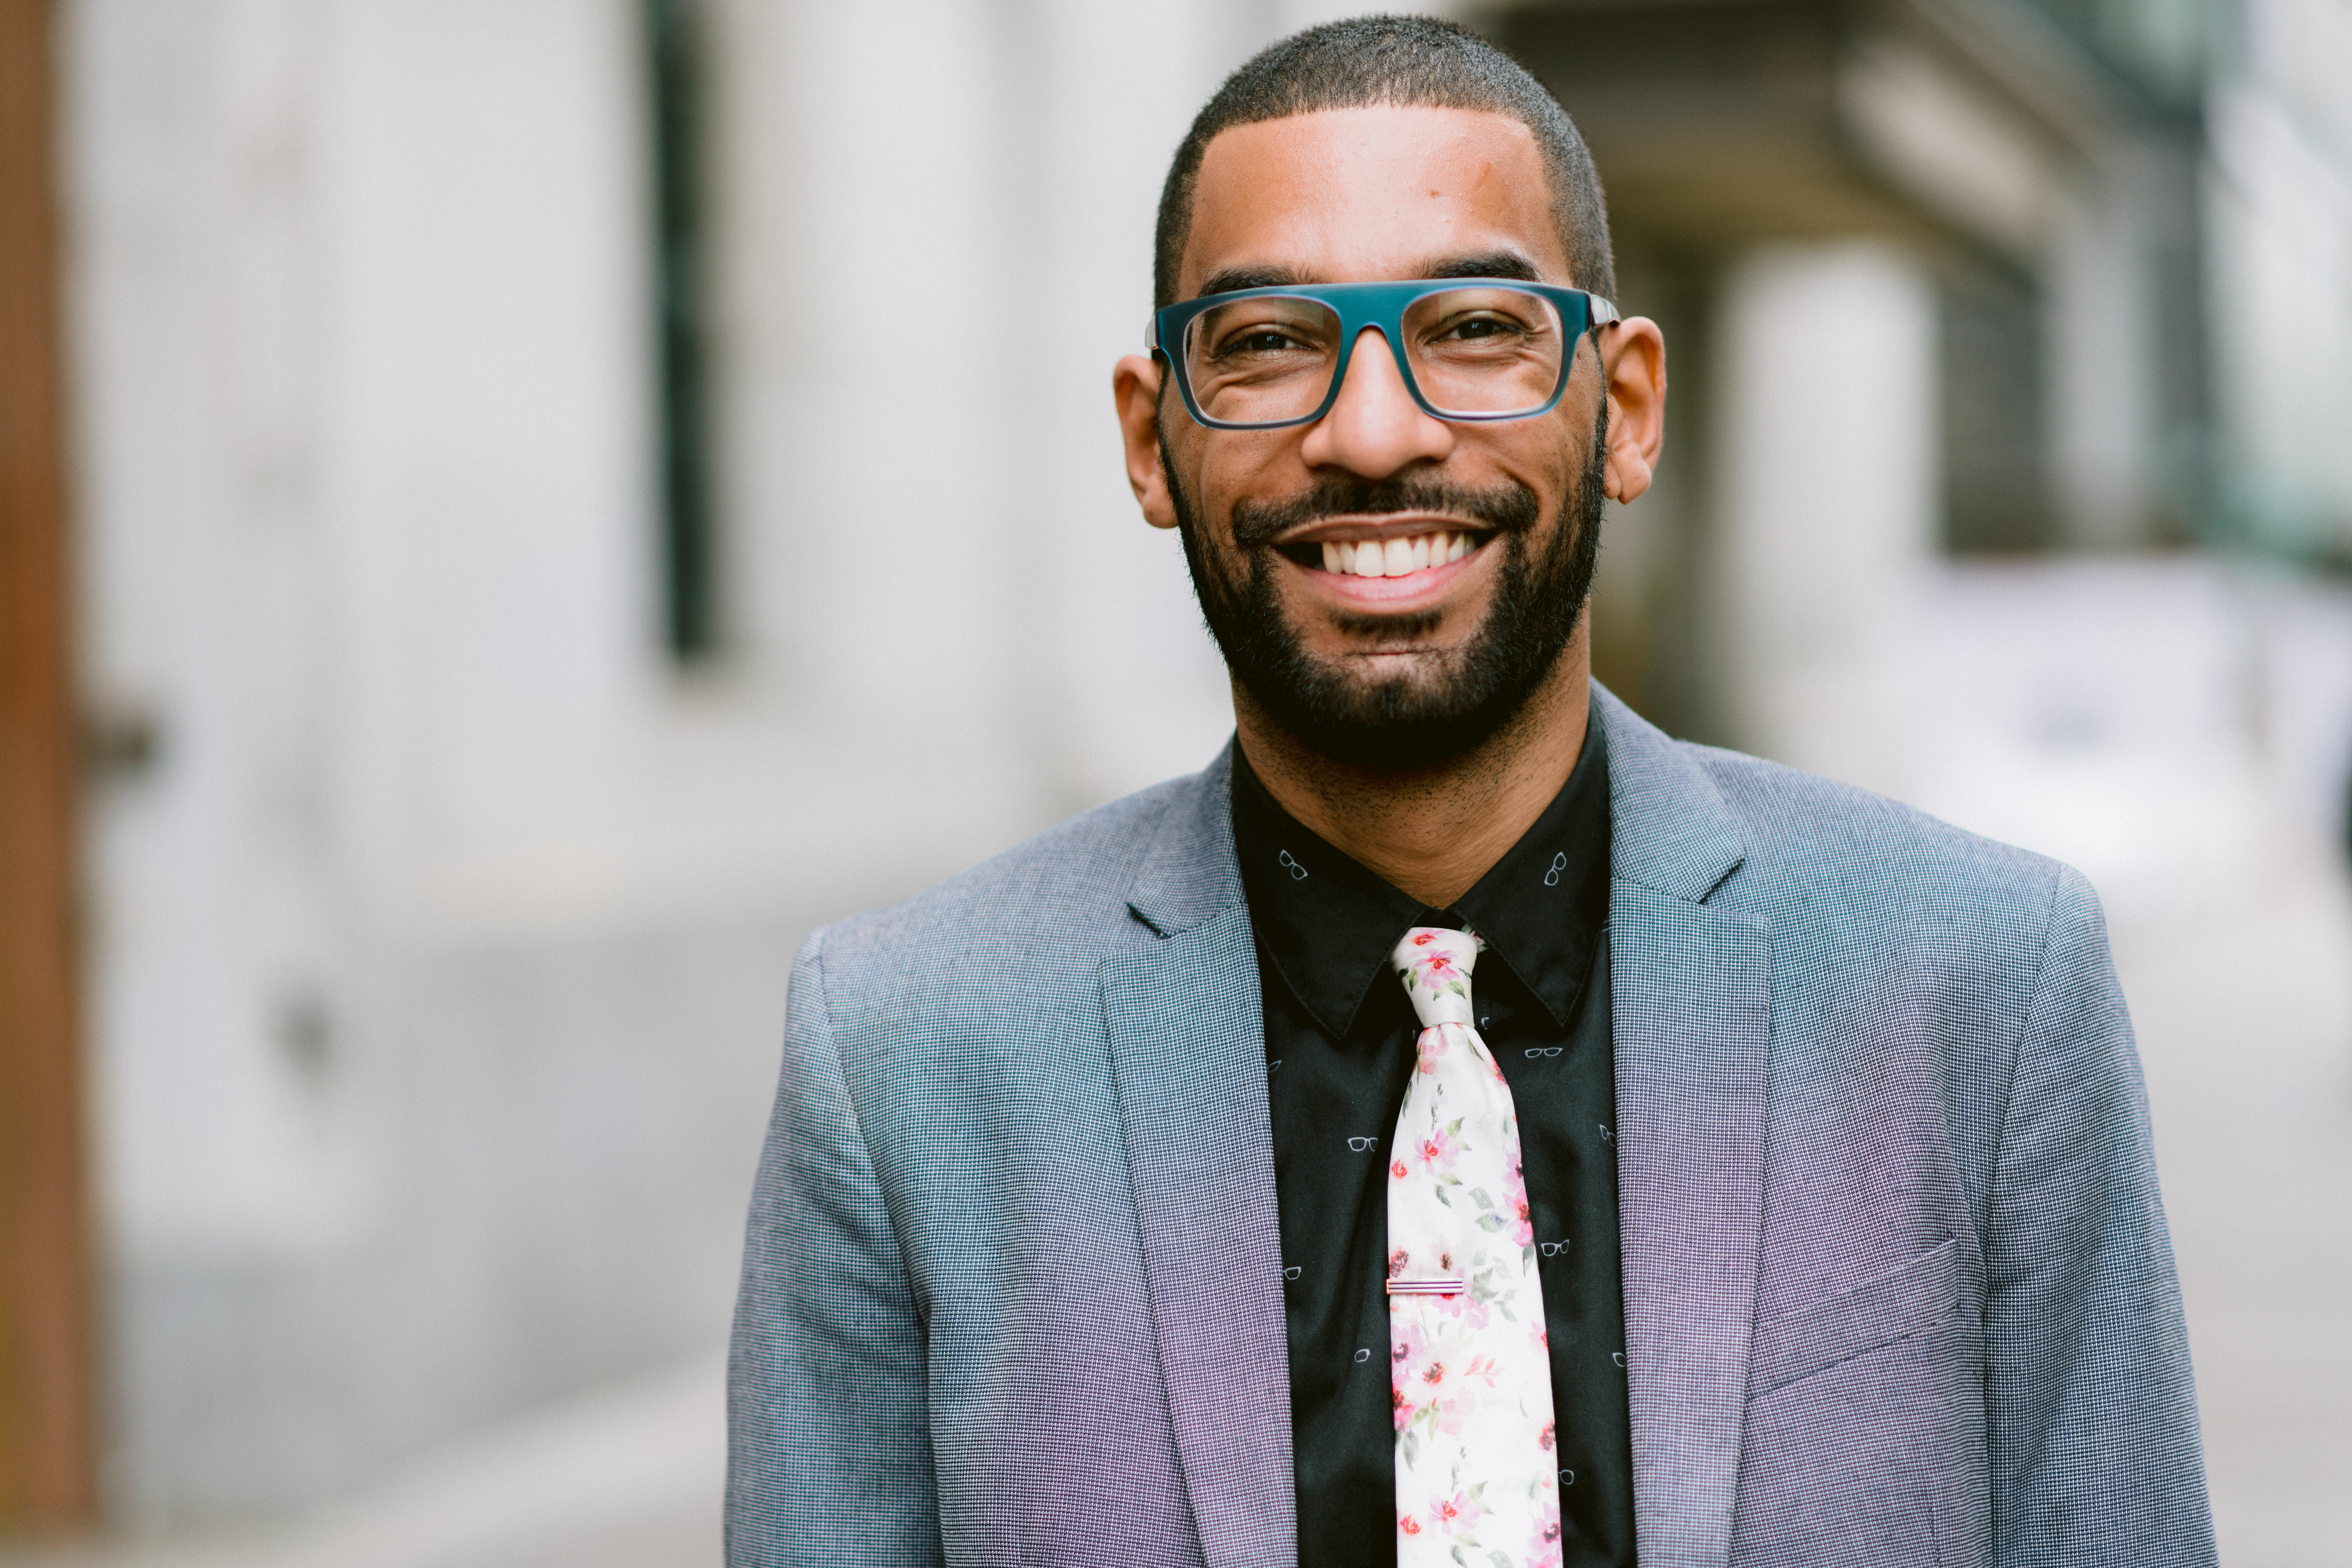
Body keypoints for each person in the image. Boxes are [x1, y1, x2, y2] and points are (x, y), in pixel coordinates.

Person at [726, 17, 2214, 1567]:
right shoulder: (900, 1057)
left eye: (1476, 329)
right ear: (1150, 439)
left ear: (1625, 406)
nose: (1372, 432)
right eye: (1267, 345)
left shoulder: (1984, 983)